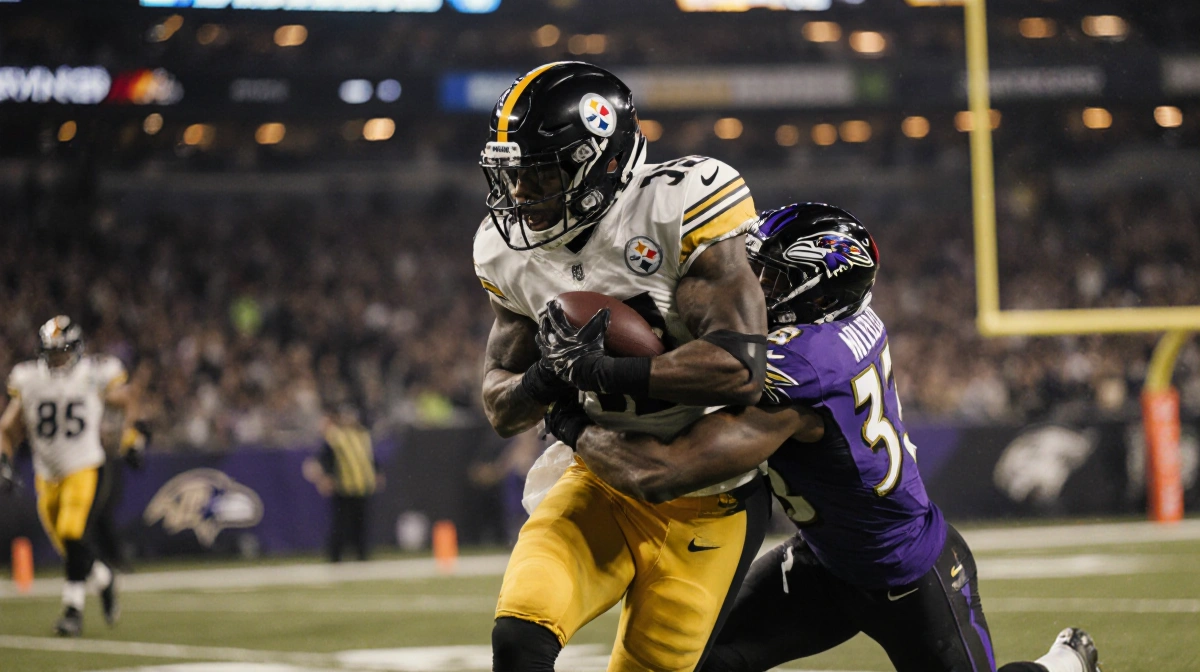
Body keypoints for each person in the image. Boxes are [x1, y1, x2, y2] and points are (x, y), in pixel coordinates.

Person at [546, 203, 1100, 672]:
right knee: (694, 660)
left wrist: (570, 409)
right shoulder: (840, 324)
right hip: (822, 563)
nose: (752, 286)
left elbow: (659, 472)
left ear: (818, 289)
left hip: (907, 576)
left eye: (772, 278)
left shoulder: (805, 366)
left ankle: (1063, 665)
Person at [473, 60, 772, 671]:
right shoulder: (508, 252)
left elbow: (741, 366)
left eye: (539, 173)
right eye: (512, 175)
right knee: (519, 638)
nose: (521, 195)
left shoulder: (677, 209)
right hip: (599, 477)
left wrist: (601, 372)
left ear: (602, 161)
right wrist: (549, 376)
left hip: (709, 495)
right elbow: (501, 404)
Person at [0, 316, 135, 637]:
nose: (58, 359)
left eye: (62, 352)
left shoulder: (92, 375)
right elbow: (7, 428)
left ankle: (72, 611)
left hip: (85, 465)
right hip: (46, 474)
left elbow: (127, 400)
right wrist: (4, 461)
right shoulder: (29, 379)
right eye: (52, 352)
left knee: (73, 533)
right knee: (68, 545)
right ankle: (103, 578)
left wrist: (129, 437)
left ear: (76, 350)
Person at [302, 405, 383, 562]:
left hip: (361, 486)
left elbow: (369, 458)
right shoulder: (334, 436)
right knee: (341, 524)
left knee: (361, 524)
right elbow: (326, 458)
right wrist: (326, 477)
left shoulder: (362, 435)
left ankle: (362, 555)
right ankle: (335, 556)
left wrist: (376, 473)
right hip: (343, 487)